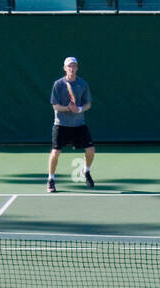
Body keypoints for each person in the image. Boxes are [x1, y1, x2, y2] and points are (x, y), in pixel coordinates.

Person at [47, 56, 95, 193]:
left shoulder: (82, 84)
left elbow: (88, 104)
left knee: (91, 151)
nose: (72, 69)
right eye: (69, 66)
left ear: (77, 68)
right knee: (55, 152)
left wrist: (79, 109)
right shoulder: (58, 84)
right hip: (61, 125)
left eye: (74, 66)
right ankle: (51, 179)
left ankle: (86, 171)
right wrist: (67, 108)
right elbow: (55, 106)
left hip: (79, 124)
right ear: (64, 68)